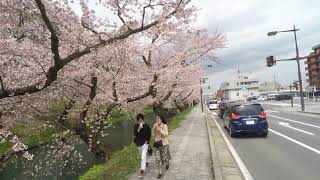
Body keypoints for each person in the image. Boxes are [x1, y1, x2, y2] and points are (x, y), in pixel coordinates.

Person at [134, 113, 151, 178]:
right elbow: (135, 134)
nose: (140, 121)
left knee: (143, 157)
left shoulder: (146, 125)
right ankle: (146, 161)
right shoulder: (136, 125)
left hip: (145, 143)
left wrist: (147, 141)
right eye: (139, 120)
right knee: (142, 155)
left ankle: (142, 171)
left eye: (141, 120)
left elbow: (149, 134)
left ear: (143, 119)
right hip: (138, 143)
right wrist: (139, 128)